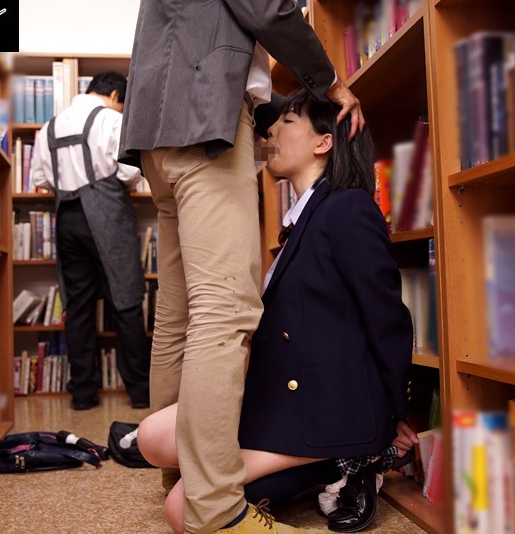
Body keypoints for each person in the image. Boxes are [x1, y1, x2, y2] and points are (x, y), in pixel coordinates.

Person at [119, 1, 364, 532]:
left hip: (156, 130)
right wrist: (331, 82)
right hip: (204, 120)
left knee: (181, 313)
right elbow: (268, 9)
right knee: (224, 312)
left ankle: (183, 478)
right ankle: (217, 510)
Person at [137, 89, 418, 534]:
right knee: (151, 438)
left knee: (184, 509)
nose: (271, 133)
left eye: (287, 122)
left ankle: (351, 456)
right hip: (281, 393)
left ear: (323, 142)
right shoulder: (298, 219)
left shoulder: (347, 206)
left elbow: (386, 316)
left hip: (327, 406)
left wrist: (396, 411)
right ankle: (330, 467)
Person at [31, 71, 150, 411]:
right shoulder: (111, 120)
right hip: (106, 212)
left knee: (79, 306)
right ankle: (140, 392)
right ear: (114, 95)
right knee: (125, 301)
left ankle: (83, 394)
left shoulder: (48, 128)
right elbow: (129, 172)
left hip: (67, 216)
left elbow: (40, 178)